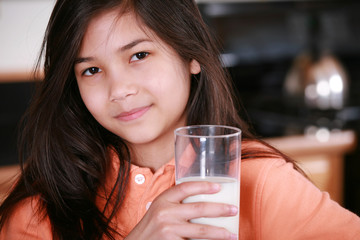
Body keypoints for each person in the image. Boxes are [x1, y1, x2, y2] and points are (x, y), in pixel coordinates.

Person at [0, 0, 359, 239]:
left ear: (191, 55)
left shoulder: (261, 182)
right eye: (91, 70)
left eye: (139, 54)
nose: (119, 89)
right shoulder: (39, 212)